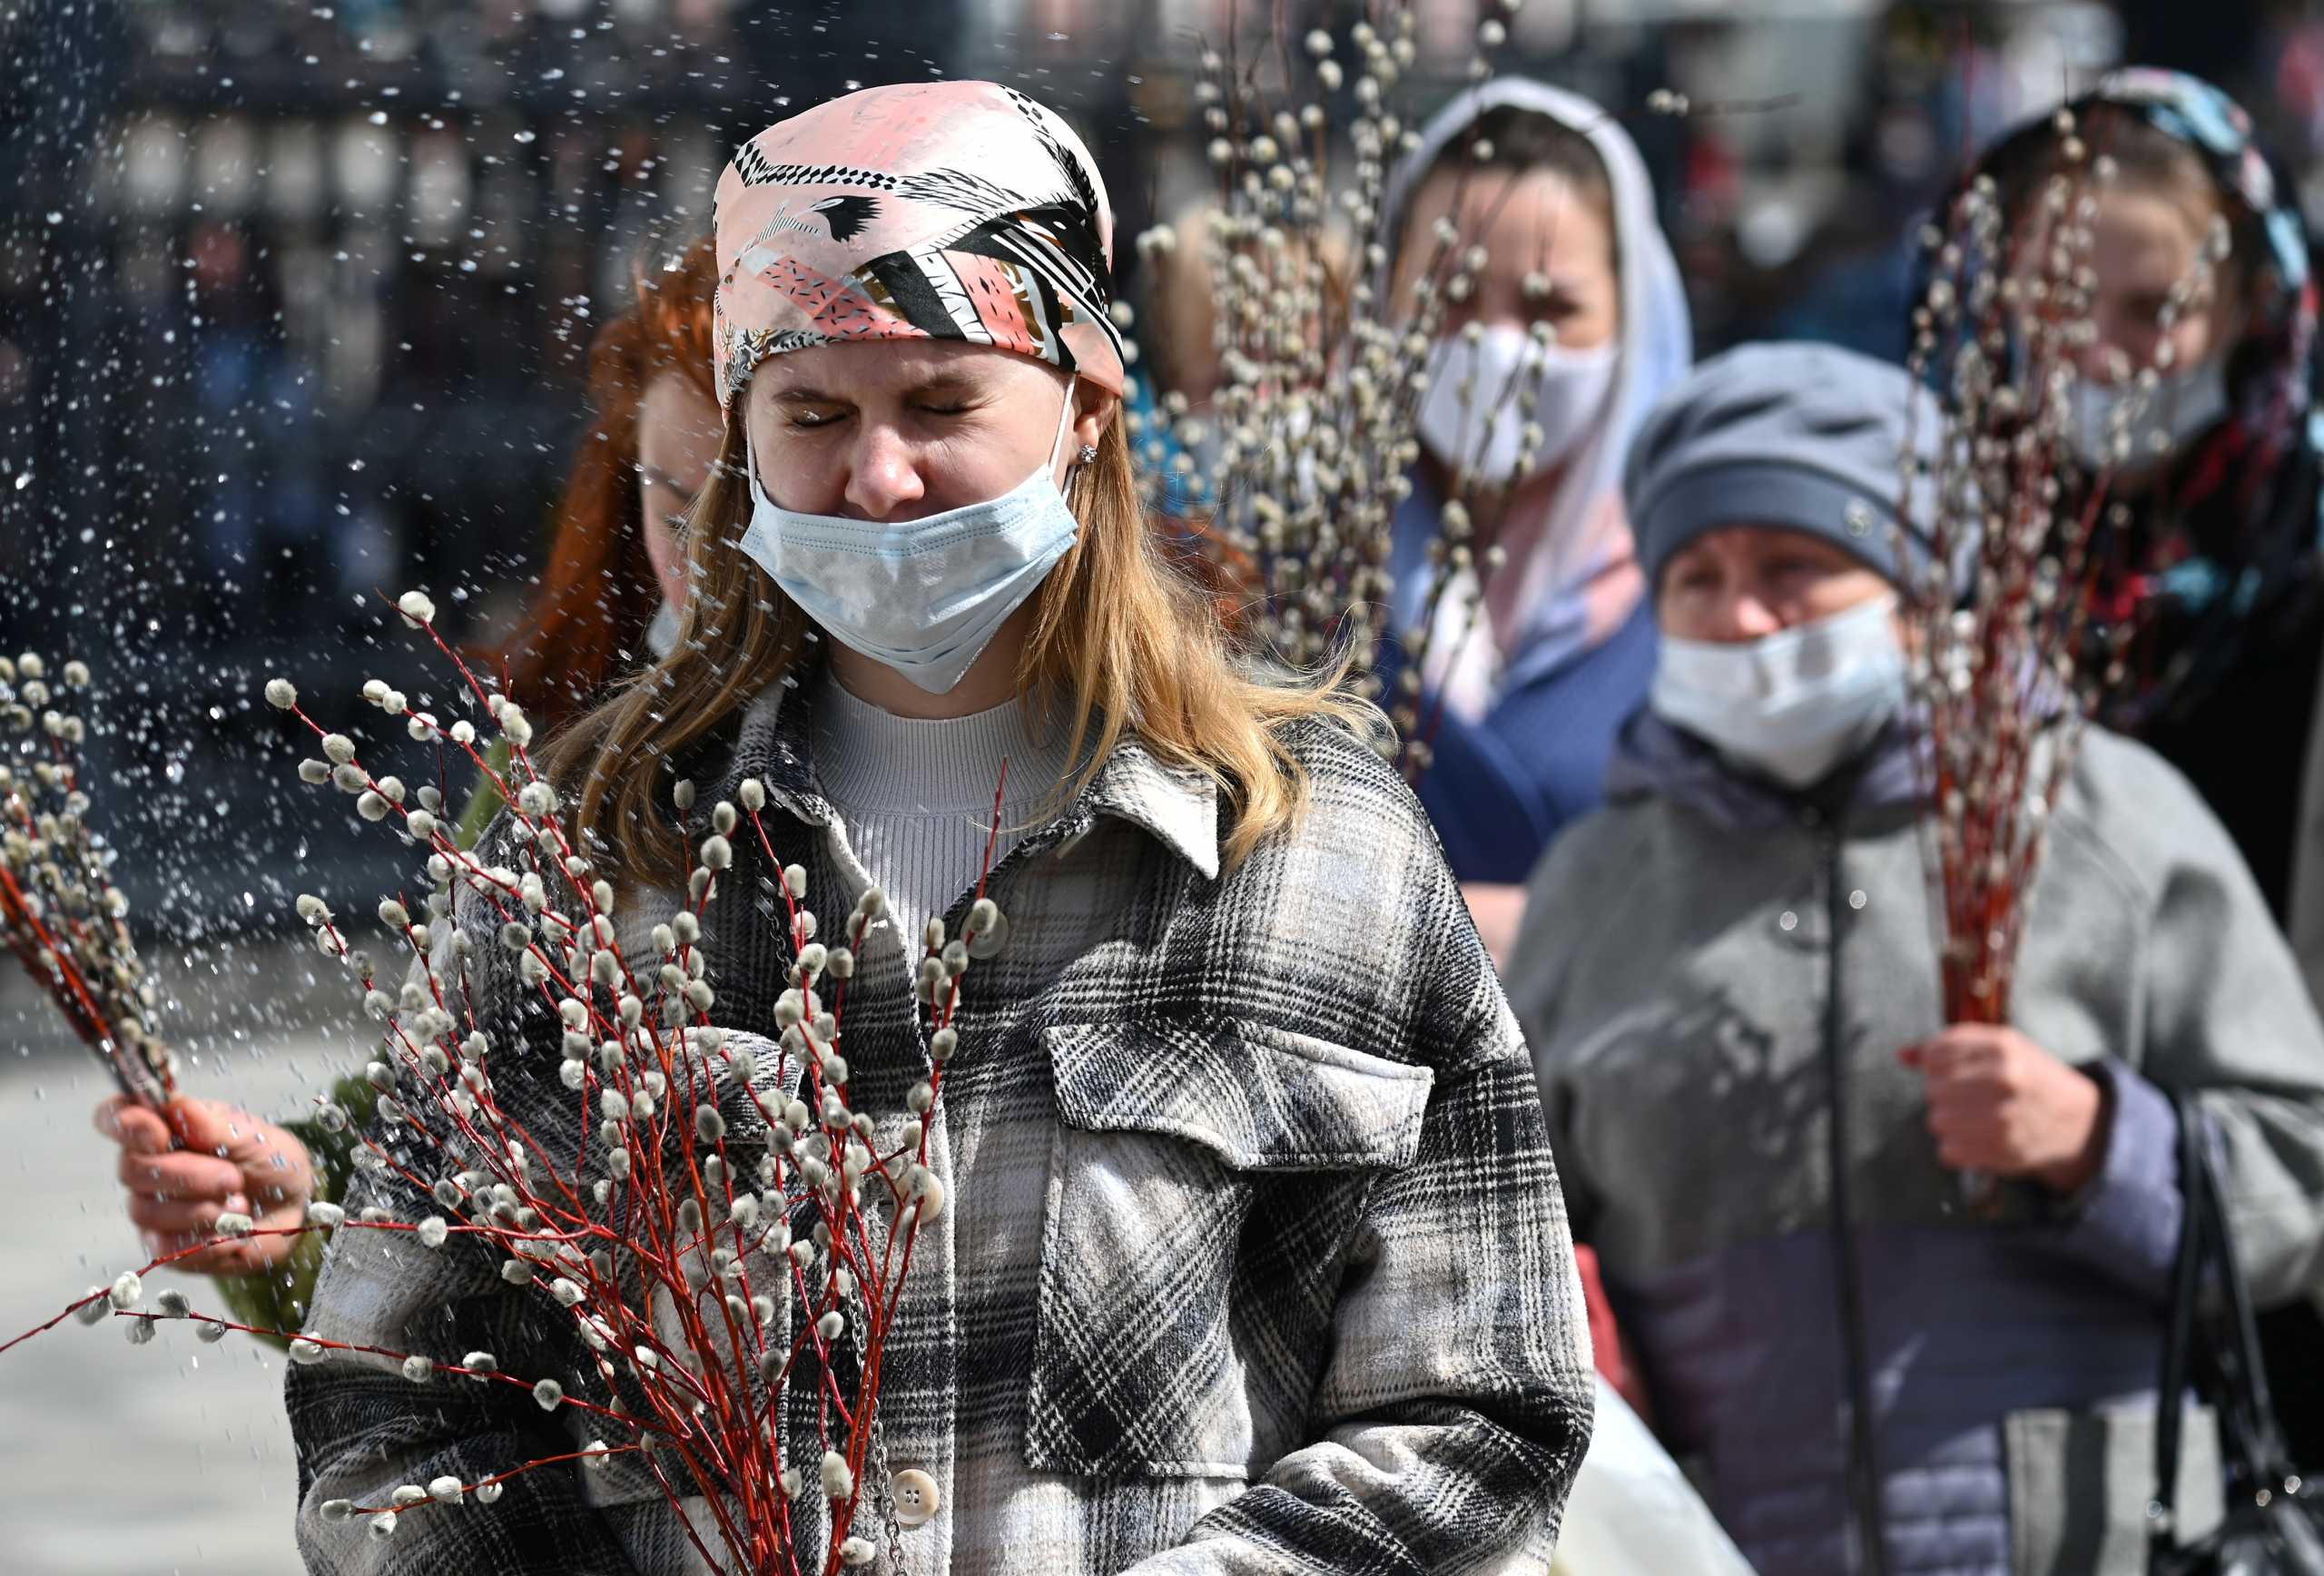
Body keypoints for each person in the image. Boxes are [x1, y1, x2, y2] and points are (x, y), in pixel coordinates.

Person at [289, 80, 1591, 1575]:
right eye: (814, 414)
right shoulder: (597, 860)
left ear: (1088, 409)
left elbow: (1484, 1410)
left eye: (943, 403)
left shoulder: (1309, 851)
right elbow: (399, 1407)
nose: (880, 476)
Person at [1507, 341, 2324, 1575]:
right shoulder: (1597, 885)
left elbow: (2302, 1174)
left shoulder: (2101, 822)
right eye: (1698, 578)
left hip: (2084, 1539)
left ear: (1917, 586)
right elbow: (1497, 1234)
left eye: (1795, 568)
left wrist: (2105, 1144)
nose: (1742, 616)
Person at [94, 235, 725, 1342]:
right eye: (675, 506)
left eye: (753, 509)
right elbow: (460, 1148)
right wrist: (303, 1202)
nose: (711, 558)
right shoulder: (562, 782)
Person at [1971, 66, 2324, 1469]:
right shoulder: (1944, 568)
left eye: (2151, 311)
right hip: (2012, 1255)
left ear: (2246, 310)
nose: (2103, 359)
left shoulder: (2297, 571)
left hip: (2281, 1237)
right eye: (2059, 312)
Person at [1374, 79, 1692, 962]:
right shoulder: (1297, 573)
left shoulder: (1701, 578)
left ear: (1632, 321)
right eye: (1450, 297)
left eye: (1549, 309)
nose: (1494, 345)